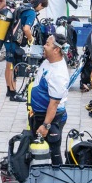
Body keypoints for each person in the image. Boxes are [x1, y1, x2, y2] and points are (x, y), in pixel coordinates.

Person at [28, 35, 70, 166]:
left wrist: (46, 125)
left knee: (53, 151)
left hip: (51, 118)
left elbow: (54, 103)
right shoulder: (49, 61)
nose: (44, 47)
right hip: (40, 113)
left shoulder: (58, 74)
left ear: (56, 49)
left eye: (47, 44)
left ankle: (57, 178)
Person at [4, 0, 47, 100]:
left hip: (8, 37)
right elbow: (26, 28)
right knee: (13, 66)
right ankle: (13, 94)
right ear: (40, 4)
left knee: (9, 65)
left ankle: (9, 90)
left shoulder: (23, 6)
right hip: (14, 40)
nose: (40, 9)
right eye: (42, 8)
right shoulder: (31, 12)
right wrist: (30, 38)